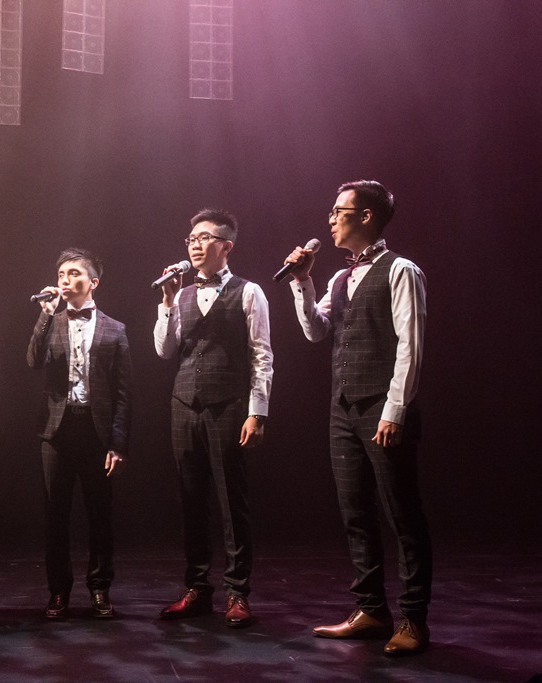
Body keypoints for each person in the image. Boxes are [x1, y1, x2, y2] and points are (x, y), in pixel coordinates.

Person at [282, 180, 432, 656]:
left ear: (366, 217)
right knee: (355, 513)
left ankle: (413, 620)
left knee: (402, 515)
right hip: (343, 408)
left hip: (383, 409)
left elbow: (410, 345)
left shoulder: (401, 270)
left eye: (338, 211)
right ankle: (370, 609)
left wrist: (395, 410)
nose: (330, 219)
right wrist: (302, 281)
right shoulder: (339, 278)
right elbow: (316, 331)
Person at [153, 208, 273, 628]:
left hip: (227, 405)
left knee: (230, 501)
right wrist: (166, 303)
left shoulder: (249, 292)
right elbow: (164, 350)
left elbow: (261, 355)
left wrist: (257, 412)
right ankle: (197, 588)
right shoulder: (181, 295)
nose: (196, 245)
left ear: (227, 245)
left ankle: (237, 592)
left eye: (205, 238)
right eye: (191, 239)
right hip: (184, 404)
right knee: (191, 500)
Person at [26, 248, 132, 619]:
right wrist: (45, 314)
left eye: (74, 274)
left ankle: (100, 589)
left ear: (93, 282)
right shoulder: (52, 320)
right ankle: (59, 591)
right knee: (56, 514)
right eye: (61, 275)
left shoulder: (115, 329)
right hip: (57, 430)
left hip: (96, 431)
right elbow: (33, 360)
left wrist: (118, 444)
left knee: (99, 514)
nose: (66, 280)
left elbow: (123, 392)